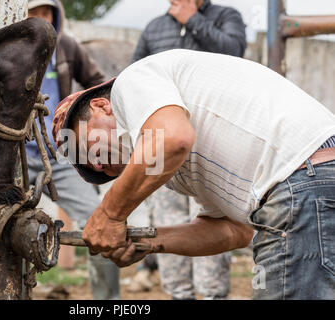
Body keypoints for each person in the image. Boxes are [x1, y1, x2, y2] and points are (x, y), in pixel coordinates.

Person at [51, 49, 335, 300]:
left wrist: (110, 215)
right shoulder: (176, 166)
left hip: (304, 178)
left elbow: (172, 139)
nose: (98, 166)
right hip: (312, 181)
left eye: (88, 149)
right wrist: (143, 242)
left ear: (101, 106)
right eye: (90, 168)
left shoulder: (132, 82)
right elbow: (235, 231)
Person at [131, 0, 247, 299]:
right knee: (167, 225)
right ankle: (178, 294)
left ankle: (211, 295)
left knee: (211, 225)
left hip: (213, 145)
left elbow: (235, 54)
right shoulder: (155, 27)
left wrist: (193, 19)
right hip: (164, 143)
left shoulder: (226, 17)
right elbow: (134, 79)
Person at [25, 0, 121, 299]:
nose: (41, 19)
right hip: (15, 159)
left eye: (47, 12)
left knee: (100, 222)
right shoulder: (3, 47)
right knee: (8, 227)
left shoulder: (66, 46)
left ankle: (107, 301)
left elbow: (99, 83)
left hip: (60, 156)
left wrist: (82, 115)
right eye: (33, 12)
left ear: (56, 14)